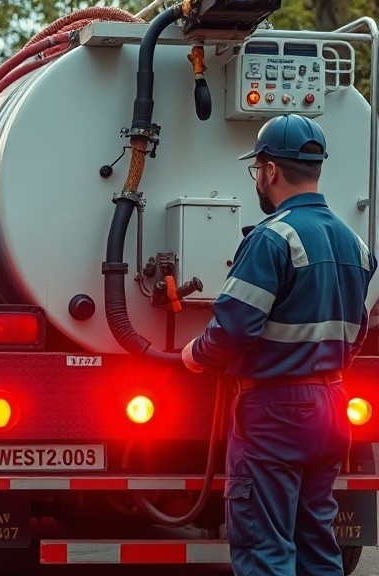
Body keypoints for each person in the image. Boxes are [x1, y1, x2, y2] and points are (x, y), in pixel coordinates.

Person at [181, 114, 376, 576]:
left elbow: (234, 329)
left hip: (275, 411)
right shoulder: (355, 242)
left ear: (269, 170)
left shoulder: (273, 237)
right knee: (317, 545)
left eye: (257, 171)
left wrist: (194, 354)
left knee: (264, 548)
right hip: (331, 403)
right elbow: (357, 328)